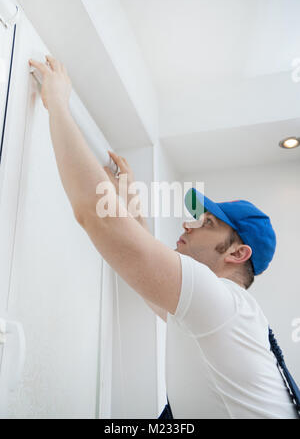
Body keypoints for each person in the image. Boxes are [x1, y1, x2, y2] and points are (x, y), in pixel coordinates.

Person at [28, 56, 298, 419]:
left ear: (237, 252)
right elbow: (144, 271)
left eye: (206, 223)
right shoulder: (216, 315)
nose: (187, 226)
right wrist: (128, 198)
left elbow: (97, 218)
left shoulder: (220, 302)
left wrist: (57, 103)